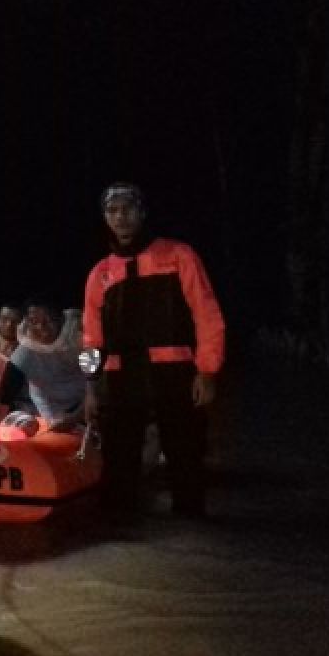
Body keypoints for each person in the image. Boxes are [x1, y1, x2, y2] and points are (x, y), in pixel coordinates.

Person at [81, 182, 225, 516]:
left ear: (142, 213)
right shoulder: (99, 274)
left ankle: (190, 529)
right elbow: (90, 338)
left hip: (173, 371)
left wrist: (207, 371)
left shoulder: (179, 256)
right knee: (119, 456)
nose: (121, 218)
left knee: (185, 452)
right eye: (113, 211)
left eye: (128, 209)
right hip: (120, 377)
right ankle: (121, 530)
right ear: (105, 217)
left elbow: (208, 315)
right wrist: (90, 386)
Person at [0, 301, 86, 438]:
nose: (42, 327)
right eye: (34, 321)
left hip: (87, 405)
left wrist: (76, 417)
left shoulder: (82, 341)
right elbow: (1, 403)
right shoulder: (23, 355)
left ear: (61, 320)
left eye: (48, 320)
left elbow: (98, 384)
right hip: (51, 412)